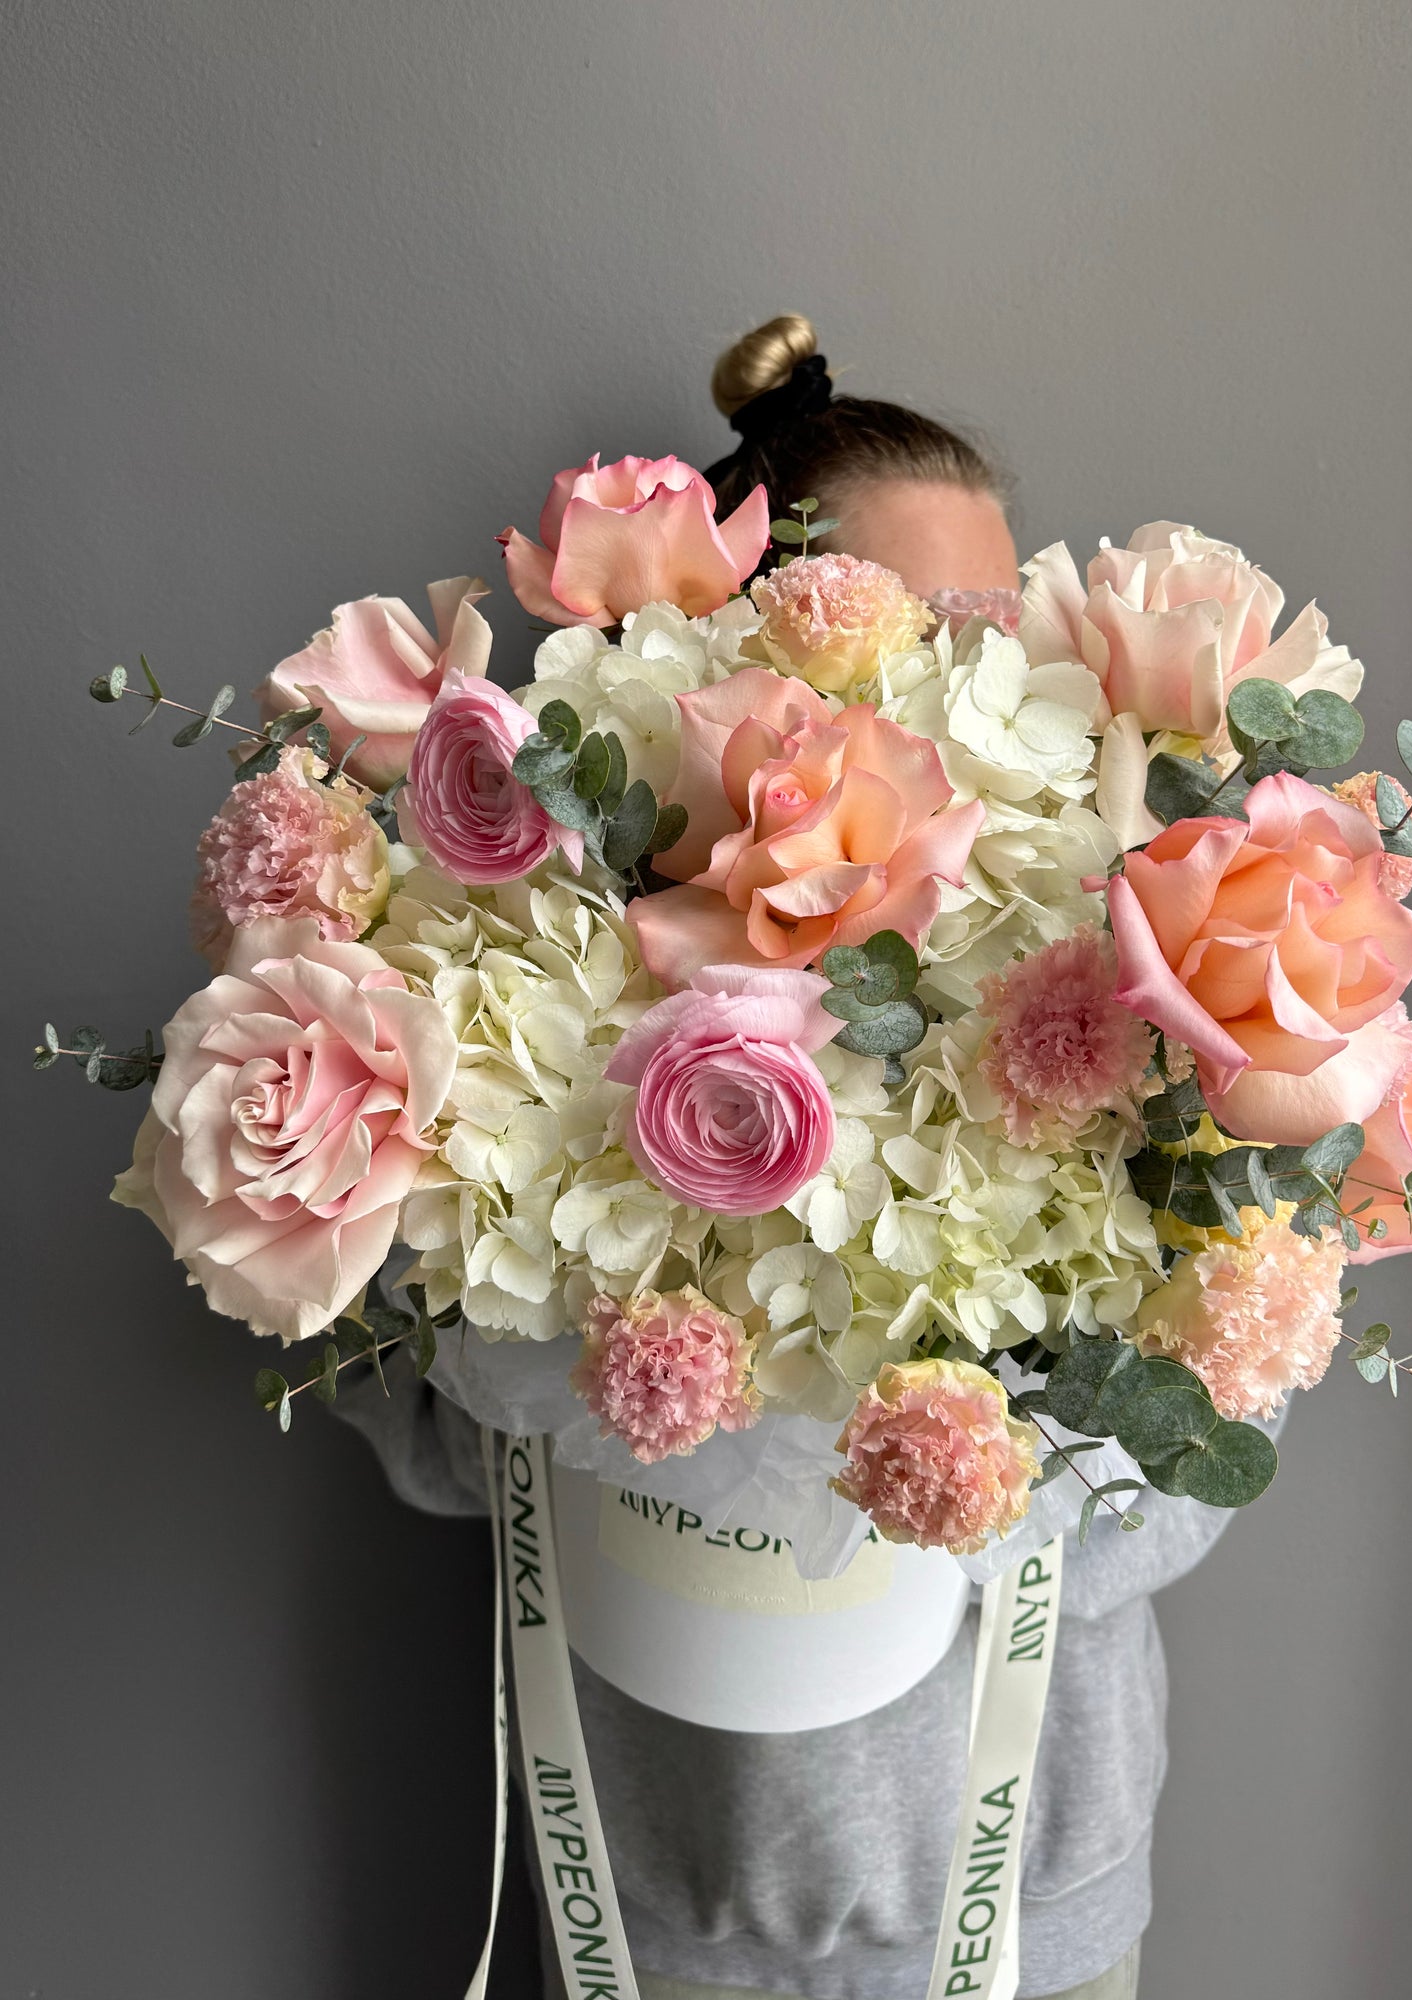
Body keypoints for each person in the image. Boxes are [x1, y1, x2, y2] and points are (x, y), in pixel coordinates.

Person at [339, 315, 1258, 2000]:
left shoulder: (1140, 978)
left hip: (1036, 1909)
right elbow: (419, 1428)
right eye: (905, 646)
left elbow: (1219, 1434)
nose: (960, 696)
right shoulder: (544, 987)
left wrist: (961, 1463)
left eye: (994, 636)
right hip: (654, 1910)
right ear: (741, 653)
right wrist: (642, 1400)